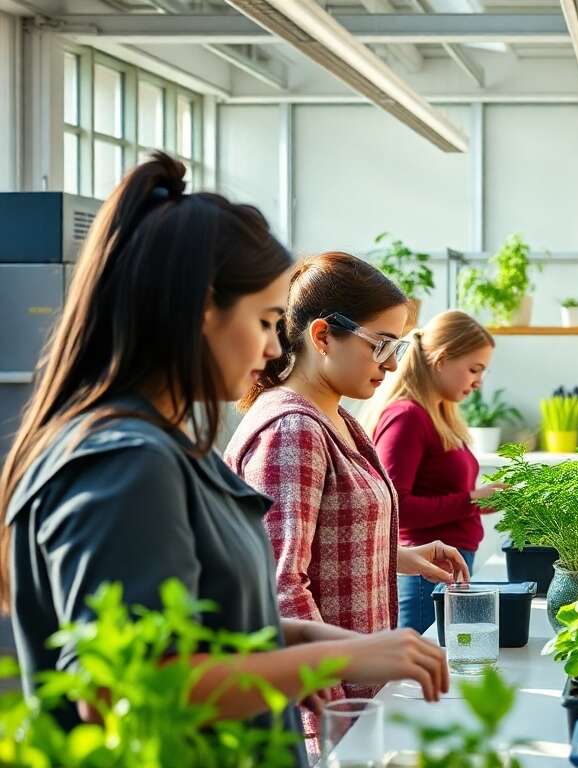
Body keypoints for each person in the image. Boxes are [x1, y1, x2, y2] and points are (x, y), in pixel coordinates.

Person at [0, 154, 449, 765]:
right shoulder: (125, 465)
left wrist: (297, 636)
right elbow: (123, 691)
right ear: (202, 309)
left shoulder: (167, 448)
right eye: (266, 321)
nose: (271, 350)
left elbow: (204, 631)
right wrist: (334, 658)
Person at [225, 251, 468, 744]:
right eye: (380, 345)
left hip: (360, 699)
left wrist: (399, 556)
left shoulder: (338, 418)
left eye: (398, 346)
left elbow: (321, 542)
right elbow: (281, 588)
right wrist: (331, 724)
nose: (393, 363)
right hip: (330, 712)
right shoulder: (292, 429)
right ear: (321, 336)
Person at [363, 310, 506, 633]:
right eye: (474, 369)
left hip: (446, 566)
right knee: (424, 675)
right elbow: (394, 506)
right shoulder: (408, 417)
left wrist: (478, 500)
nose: (479, 381)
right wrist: (470, 500)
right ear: (441, 360)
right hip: (425, 572)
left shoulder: (438, 416)